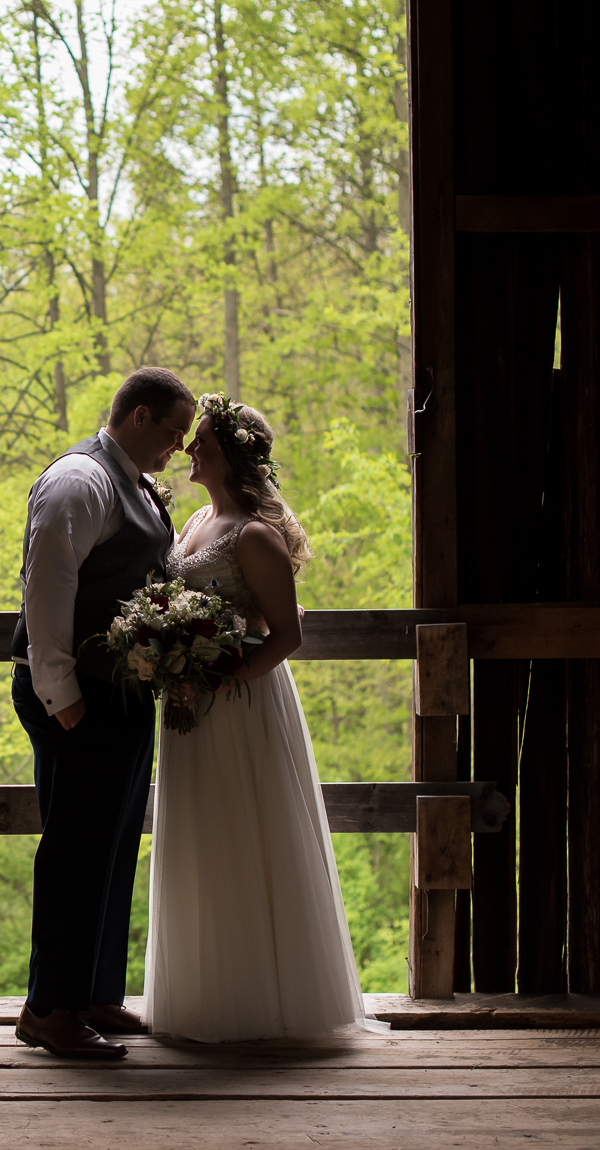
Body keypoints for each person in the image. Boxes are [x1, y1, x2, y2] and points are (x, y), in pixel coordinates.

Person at [144, 394, 364, 1041]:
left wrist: (225, 674)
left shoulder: (255, 535)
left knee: (246, 831)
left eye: (202, 440)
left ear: (231, 453)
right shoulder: (192, 522)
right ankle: (200, 998)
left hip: (240, 701)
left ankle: (259, 1002)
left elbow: (286, 633)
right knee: (199, 837)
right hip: (191, 699)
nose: (189, 449)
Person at [9, 367, 195, 1060]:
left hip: (117, 691)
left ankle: (91, 993)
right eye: (173, 432)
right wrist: (64, 700)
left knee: (114, 845)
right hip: (76, 694)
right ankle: (48, 1008)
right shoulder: (79, 481)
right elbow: (48, 586)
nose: (177, 447)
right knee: (75, 850)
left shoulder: (132, 482)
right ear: (139, 415)